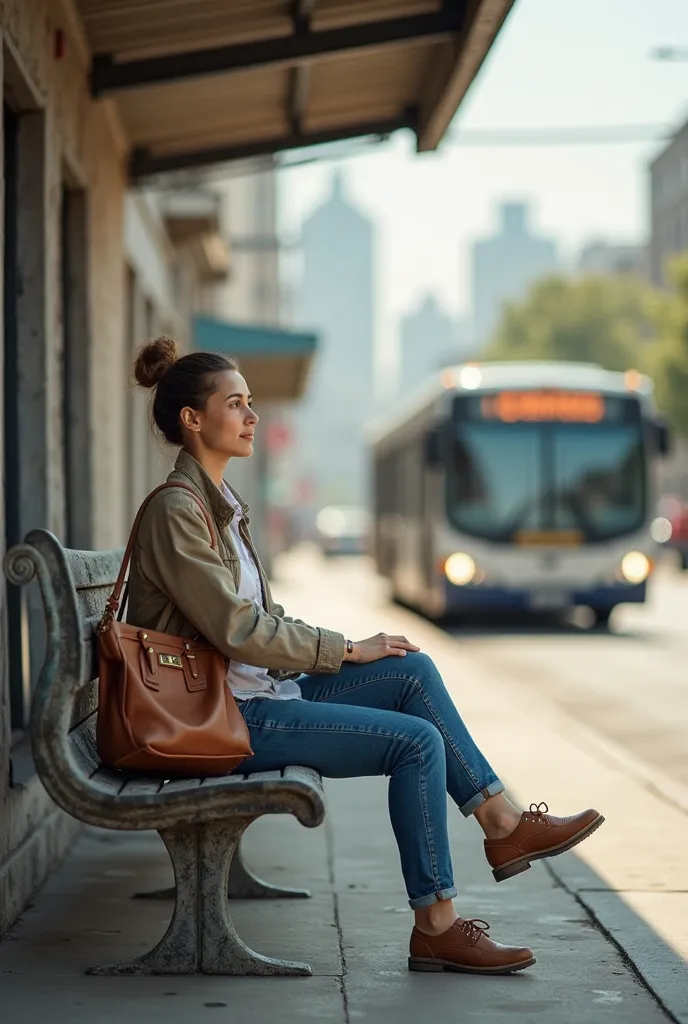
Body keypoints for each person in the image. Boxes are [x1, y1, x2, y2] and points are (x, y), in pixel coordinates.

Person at [127, 337, 604, 977]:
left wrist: (350, 652)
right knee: (415, 744)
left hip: (252, 695)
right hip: (222, 717)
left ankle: (503, 822)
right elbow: (237, 629)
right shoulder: (178, 512)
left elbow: (261, 621)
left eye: (250, 402)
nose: (251, 416)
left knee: (410, 672)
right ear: (192, 419)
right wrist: (344, 649)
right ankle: (436, 926)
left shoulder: (218, 509)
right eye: (235, 404)